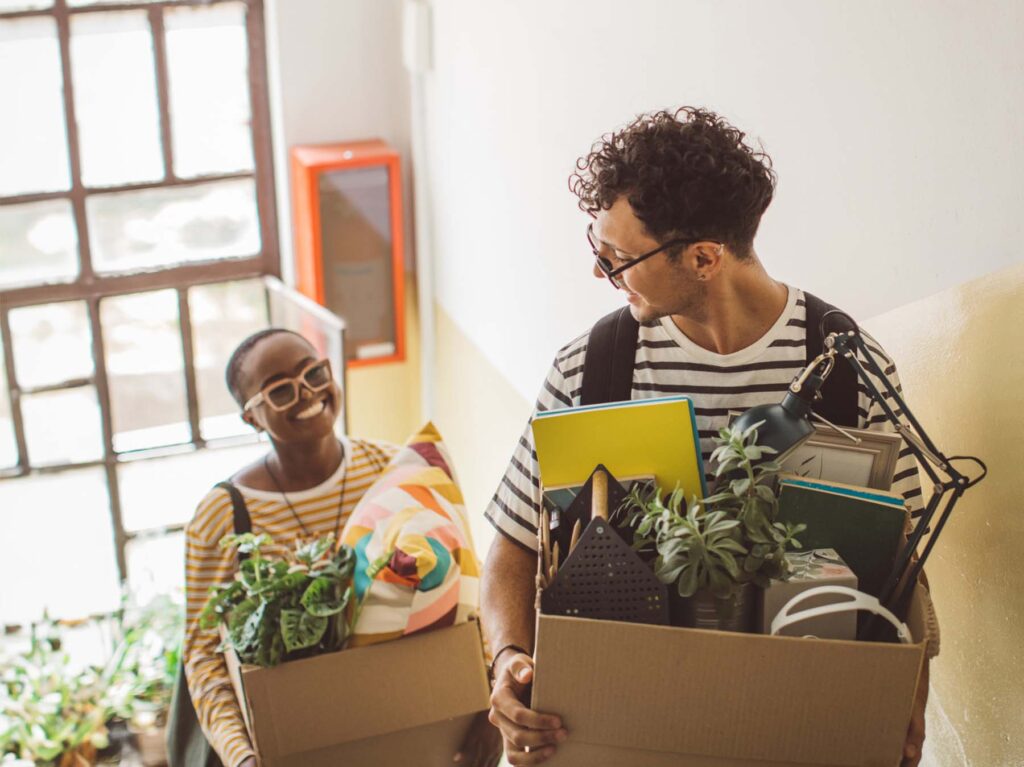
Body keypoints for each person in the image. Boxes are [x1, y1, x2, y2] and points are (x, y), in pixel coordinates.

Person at [480, 107, 928, 767]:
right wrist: (508, 659)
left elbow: (904, 562)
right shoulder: (591, 366)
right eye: (598, 251)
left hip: (792, 731)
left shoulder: (845, 369)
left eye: (618, 259)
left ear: (703, 257)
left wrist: (905, 701)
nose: (602, 274)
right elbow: (513, 545)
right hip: (627, 731)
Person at [183, 328, 500, 767]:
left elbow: (469, 582)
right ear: (252, 418)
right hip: (298, 743)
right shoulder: (221, 516)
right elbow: (202, 654)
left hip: (411, 725)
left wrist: (490, 704)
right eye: (280, 390)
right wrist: (242, 757)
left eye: (314, 372)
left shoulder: (391, 468)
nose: (307, 392)